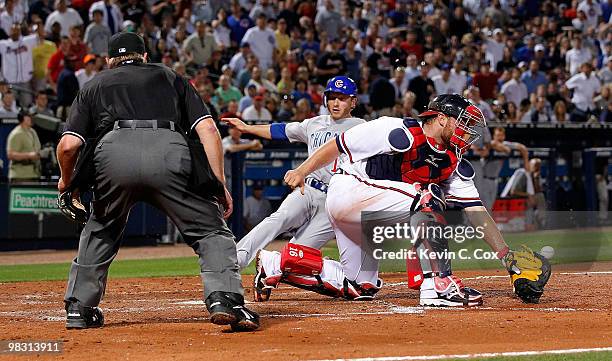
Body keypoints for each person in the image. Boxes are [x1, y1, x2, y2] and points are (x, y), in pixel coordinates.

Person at [56, 32, 259, 331]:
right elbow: (209, 130)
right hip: (170, 151)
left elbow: (68, 146)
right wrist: (218, 183)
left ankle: (79, 308)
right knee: (209, 230)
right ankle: (224, 298)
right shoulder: (170, 77)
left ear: (110, 60)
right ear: (145, 57)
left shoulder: (94, 84)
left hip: (113, 156)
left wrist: (66, 182)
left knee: (100, 230)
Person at [264, 94, 550, 306]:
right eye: (462, 123)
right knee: (427, 197)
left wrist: (507, 258)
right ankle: (437, 285)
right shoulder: (395, 129)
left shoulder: (453, 161)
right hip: (350, 191)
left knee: (360, 285)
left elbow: (477, 213)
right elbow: (338, 146)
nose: (468, 132)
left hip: (367, 212)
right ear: (440, 118)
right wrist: (302, 170)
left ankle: (276, 264)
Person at [221, 76, 365, 302]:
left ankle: (267, 269)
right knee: (278, 218)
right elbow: (279, 130)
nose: (336, 103)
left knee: (295, 255)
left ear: (353, 102)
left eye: (343, 98)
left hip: (336, 201)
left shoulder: (362, 128)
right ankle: (233, 262)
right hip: (307, 190)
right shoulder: (314, 123)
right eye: (332, 98)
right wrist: (247, 127)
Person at [477, 127, 530, 211]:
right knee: (483, 207)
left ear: (504, 136)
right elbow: (493, 144)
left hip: (494, 180)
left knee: (490, 207)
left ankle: (485, 224)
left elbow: (522, 148)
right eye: (497, 135)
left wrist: (526, 163)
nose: (499, 137)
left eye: (501, 135)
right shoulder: (490, 144)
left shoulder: (505, 144)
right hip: (483, 179)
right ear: (494, 136)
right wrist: (506, 149)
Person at [0, 24, 37, 108]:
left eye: (17, 30)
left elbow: (39, 36)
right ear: (9, 32)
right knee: (10, 105)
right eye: (13, 31)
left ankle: (27, 121)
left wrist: (36, 25)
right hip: (10, 82)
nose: (15, 33)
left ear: (20, 32)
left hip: (25, 81)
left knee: (27, 105)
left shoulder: (27, 41)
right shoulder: (3, 44)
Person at [7, 111, 41, 182]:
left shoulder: (32, 132)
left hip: (34, 174)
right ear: (23, 119)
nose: (31, 119)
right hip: (20, 175)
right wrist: (29, 155)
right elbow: (10, 155)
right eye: (29, 117)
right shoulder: (16, 134)